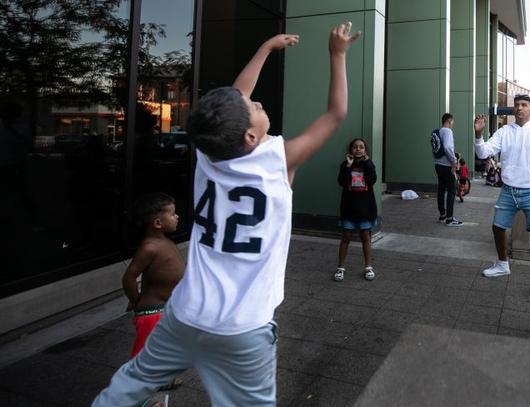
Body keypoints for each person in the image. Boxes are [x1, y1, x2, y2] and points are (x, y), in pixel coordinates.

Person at [93, 22, 360, 406]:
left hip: (184, 314)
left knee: (128, 385)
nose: (257, 103)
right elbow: (336, 114)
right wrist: (337, 54)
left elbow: (236, 96)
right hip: (243, 329)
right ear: (250, 137)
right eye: (254, 107)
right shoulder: (277, 161)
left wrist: (266, 46)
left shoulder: (208, 151)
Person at [473, 94, 530, 302]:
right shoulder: (505, 131)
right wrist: (478, 134)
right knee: (497, 227)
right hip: (508, 189)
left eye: (524, 105)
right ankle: (503, 265)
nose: (520, 108)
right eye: (517, 105)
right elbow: (483, 152)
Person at [121, 192, 185, 401]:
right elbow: (129, 277)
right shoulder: (149, 247)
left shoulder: (164, 241)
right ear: (158, 223)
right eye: (173, 214)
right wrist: (136, 300)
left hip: (164, 309)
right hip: (151, 312)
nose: (177, 217)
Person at [335, 137, 379, 281]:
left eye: (361, 147)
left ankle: (368, 267)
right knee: (346, 237)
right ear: (350, 150)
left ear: (365, 150)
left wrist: (366, 163)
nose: (358, 149)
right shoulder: (345, 165)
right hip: (349, 207)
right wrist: (348, 166)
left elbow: (372, 180)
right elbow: (342, 181)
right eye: (355, 147)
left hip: (365, 208)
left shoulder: (369, 164)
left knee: (365, 237)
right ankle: (340, 267)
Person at [433, 113, 461, 226]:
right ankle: (450, 219)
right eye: (452, 122)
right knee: (451, 191)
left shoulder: (438, 131)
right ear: (449, 121)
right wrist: (454, 161)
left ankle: (442, 215)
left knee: (441, 189)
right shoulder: (448, 131)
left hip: (438, 165)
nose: (453, 124)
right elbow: (448, 147)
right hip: (447, 166)